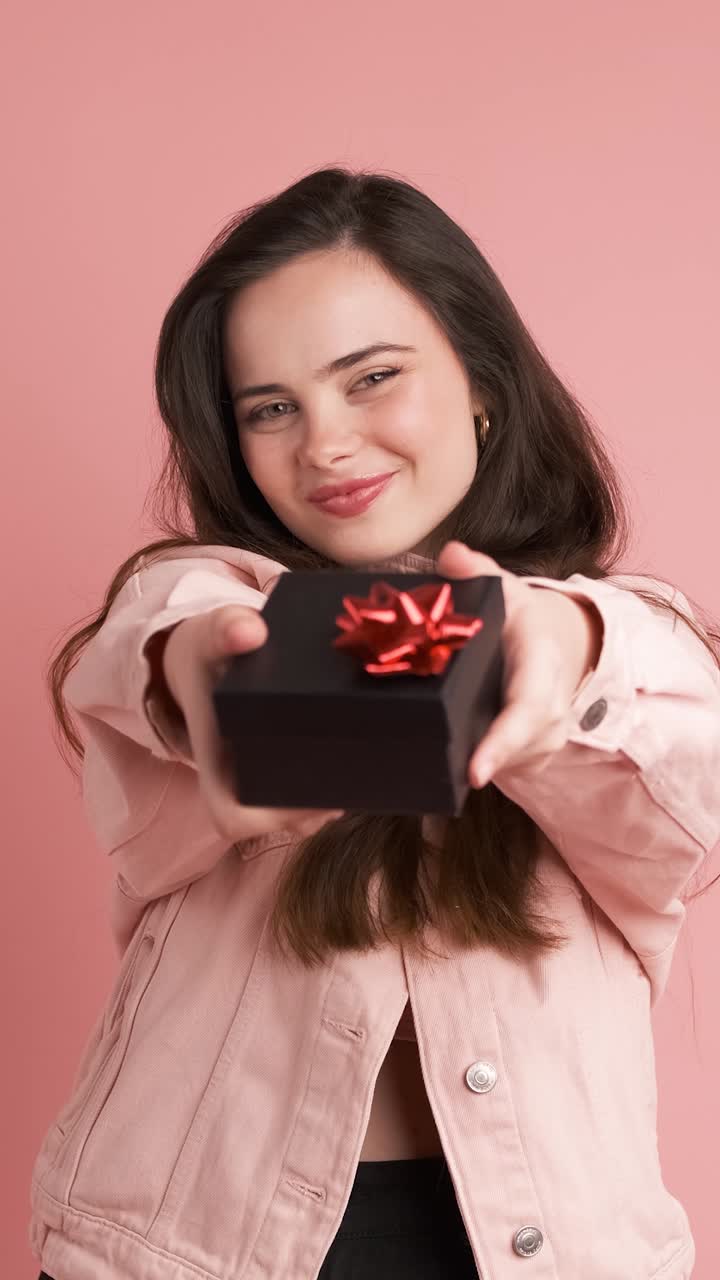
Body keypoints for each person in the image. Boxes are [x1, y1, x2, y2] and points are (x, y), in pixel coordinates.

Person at [30, 166, 720, 1280]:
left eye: (372, 378)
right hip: (185, 1250)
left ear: (481, 383)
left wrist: (563, 648)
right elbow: (151, 645)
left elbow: (683, 760)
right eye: (272, 409)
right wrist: (206, 676)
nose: (327, 443)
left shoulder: (637, 637)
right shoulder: (207, 595)